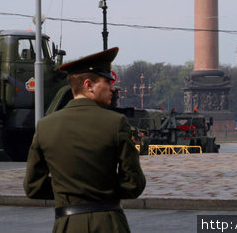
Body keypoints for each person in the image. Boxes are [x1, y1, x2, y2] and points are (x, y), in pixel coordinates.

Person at [23, 47, 146, 233]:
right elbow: (134, 184)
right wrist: (103, 191)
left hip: (67, 224)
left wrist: (66, 192)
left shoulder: (45, 126)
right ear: (89, 85)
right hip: (109, 222)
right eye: (107, 81)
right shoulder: (116, 123)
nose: (113, 88)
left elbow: (33, 187)